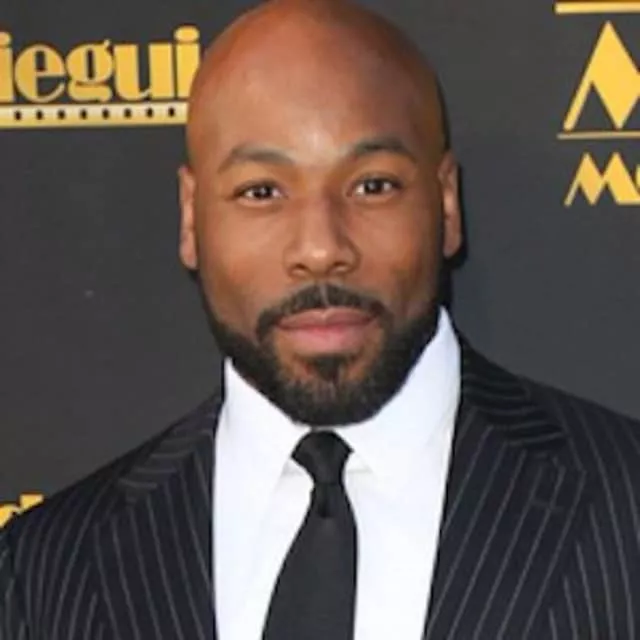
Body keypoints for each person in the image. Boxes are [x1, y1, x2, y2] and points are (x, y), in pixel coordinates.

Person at [2, 0, 640, 638]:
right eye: (261, 192)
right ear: (191, 217)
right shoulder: (46, 569)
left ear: (446, 203)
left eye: (372, 185)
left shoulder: (626, 508)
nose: (320, 248)